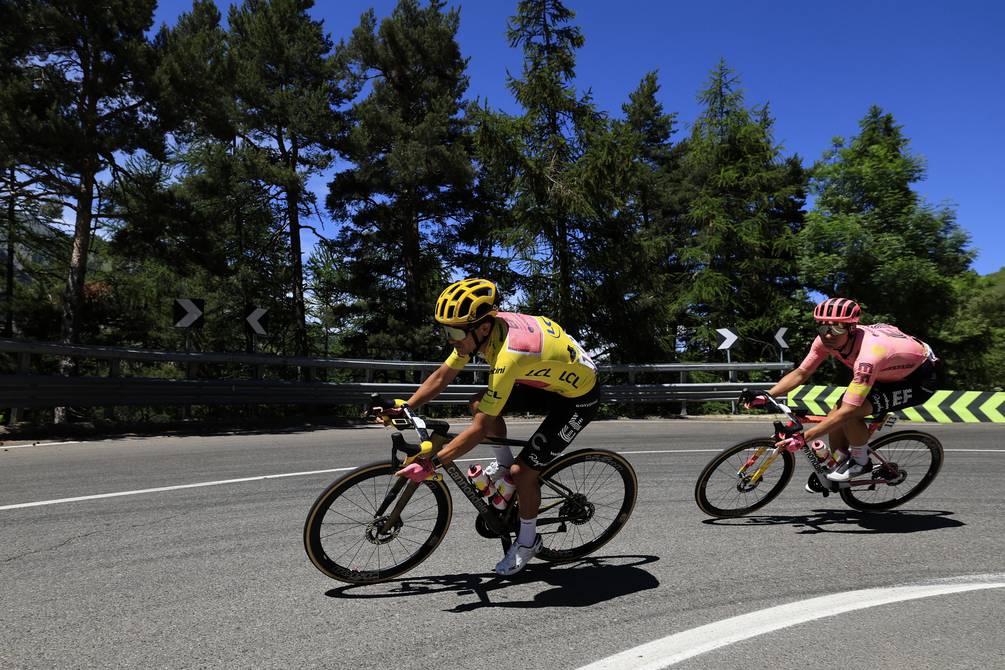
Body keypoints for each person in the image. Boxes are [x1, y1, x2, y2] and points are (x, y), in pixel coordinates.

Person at [387, 278, 600, 576]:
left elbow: (479, 429)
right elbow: (442, 376)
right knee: (478, 403)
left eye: (454, 332)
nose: (450, 339)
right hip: (546, 377)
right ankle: (503, 469)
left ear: (483, 327)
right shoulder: (480, 331)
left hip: (578, 397)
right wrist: (407, 406)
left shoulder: (508, 356)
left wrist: (433, 462)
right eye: (446, 330)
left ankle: (528, 542)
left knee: (523, 472)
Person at [753, 297, 938, 488]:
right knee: (836, 413)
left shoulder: (869, 356)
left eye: (837, 328)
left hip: (917, 381)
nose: (828, 334)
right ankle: (839, 461)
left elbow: (849, 410)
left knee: (848, 414)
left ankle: (861, 461)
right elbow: (802, 372)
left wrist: (805, 437)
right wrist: (768, 395)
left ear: (851, 329)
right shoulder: (824, 341)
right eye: (823, 327)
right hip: (887, 373)